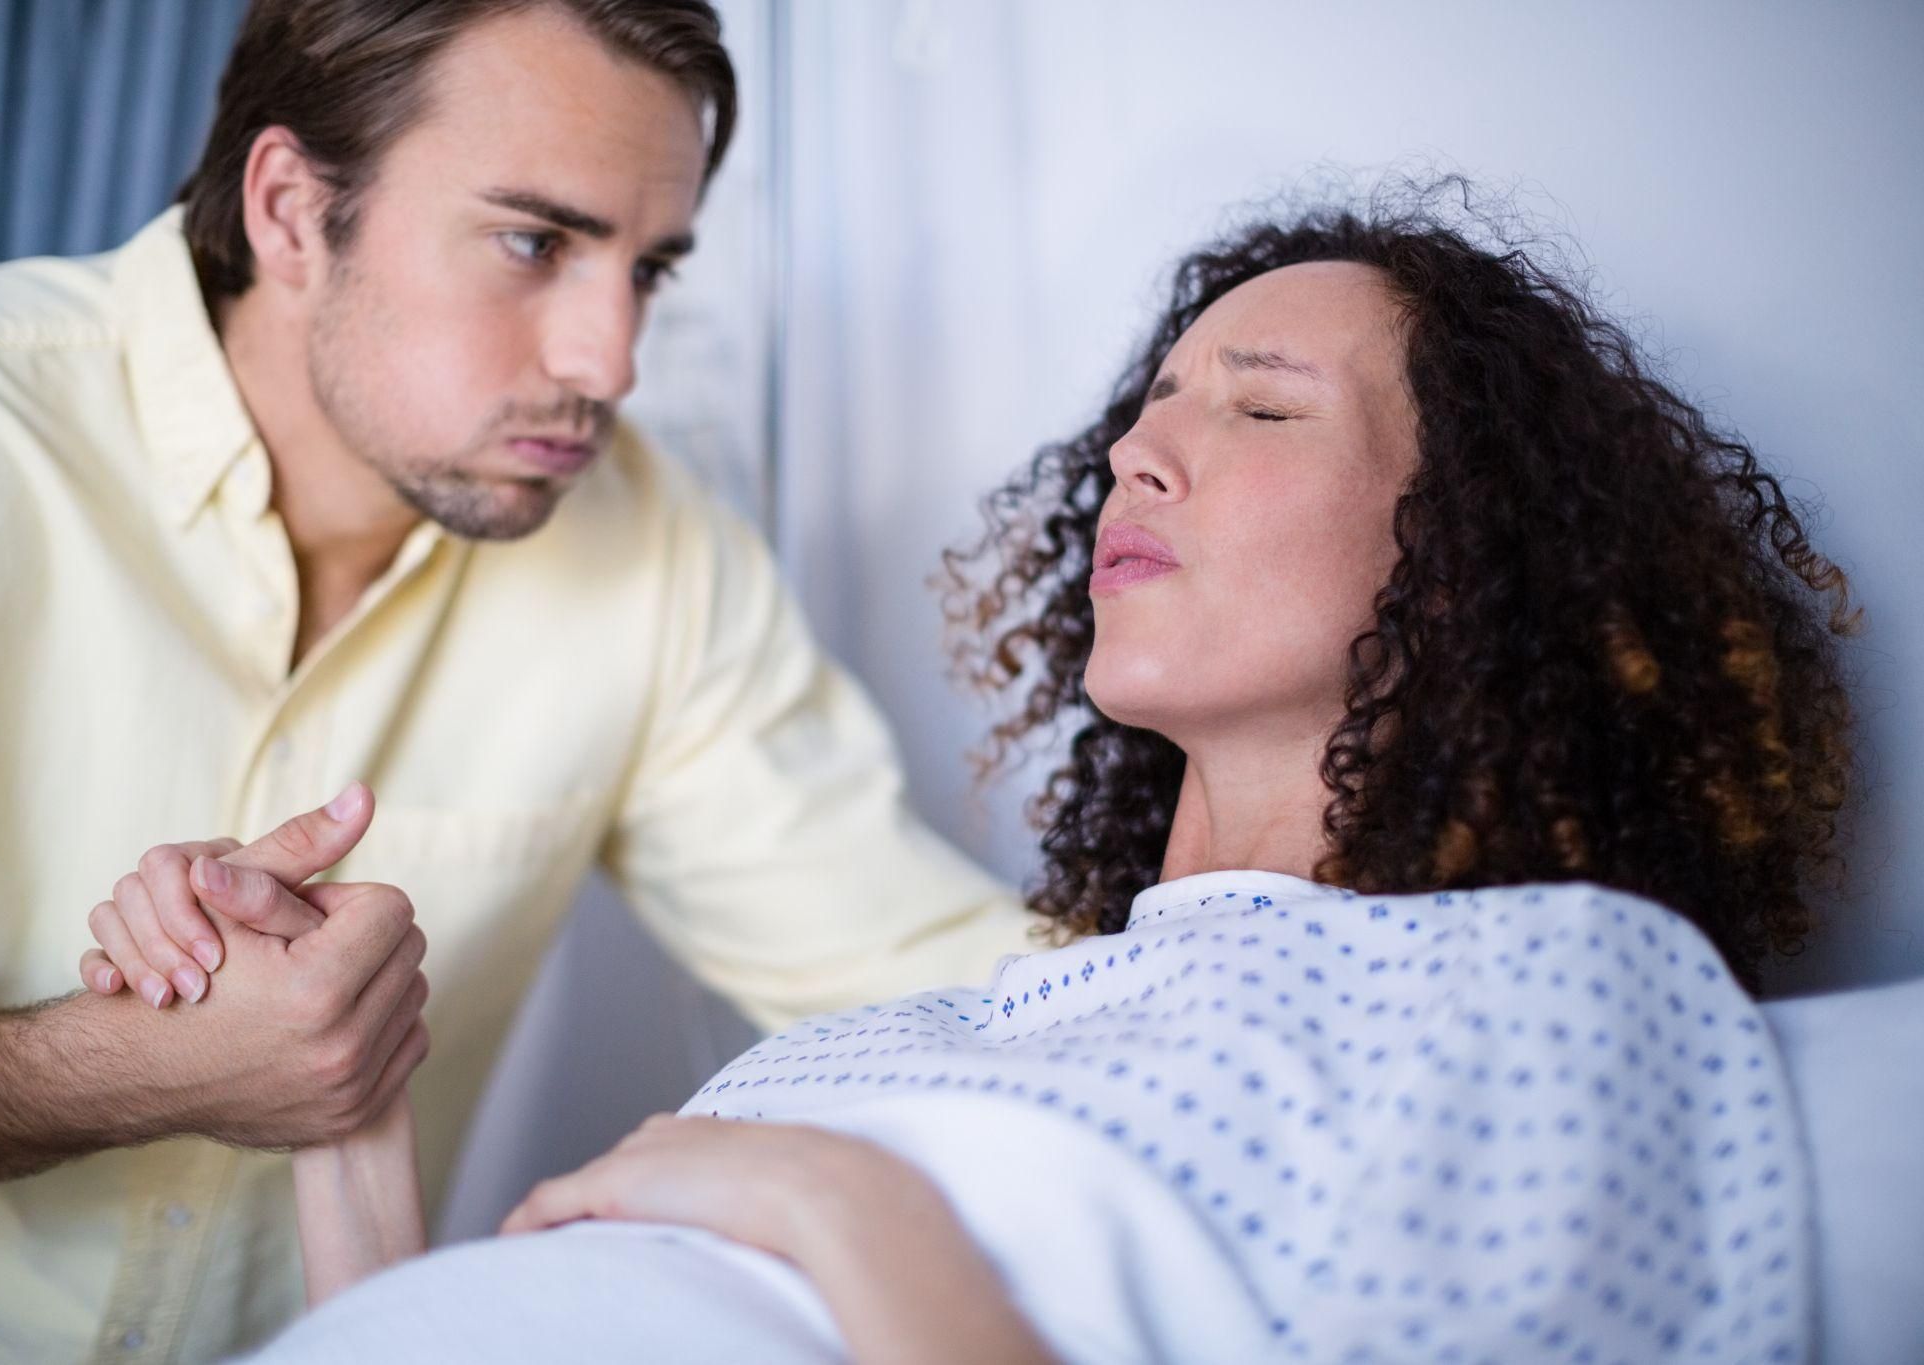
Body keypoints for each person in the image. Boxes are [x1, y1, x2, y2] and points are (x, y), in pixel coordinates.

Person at [115, 185, 1853, 1362]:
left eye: (1255, 410)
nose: (1137, 454)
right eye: (1150, 403)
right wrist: (341, 1123)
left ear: (1469, 553)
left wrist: (839, 1206)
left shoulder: (1552, 988)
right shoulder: (964, 1019)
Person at [0, 3, 1032, 1360]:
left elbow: (926, 967)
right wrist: (125, 1065)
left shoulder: (654, 555)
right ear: (293, 210)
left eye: (648, 268)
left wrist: (1284, 979)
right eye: (534, 243)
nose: (610, 362)